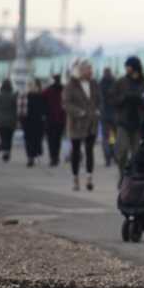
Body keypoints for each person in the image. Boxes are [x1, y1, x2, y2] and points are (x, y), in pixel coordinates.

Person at [109, 57, 144, 179]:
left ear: (134, 67)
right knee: (122, 151)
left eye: (128, 66)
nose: (126, 69)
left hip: (139, 124)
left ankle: (132, 178)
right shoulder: (121, 82)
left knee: (137, 154)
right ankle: (122, 174)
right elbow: (112, 99)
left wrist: (140, 100)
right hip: (123, 123)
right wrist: (124, 98)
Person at [64, 60, 102, 191]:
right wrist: (78, 112)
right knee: (75, 151)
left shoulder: (94, 83)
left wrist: (98, 110)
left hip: (91, 122)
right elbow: (66, 103)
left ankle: (89, 179)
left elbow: (99, 99)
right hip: (76, 123)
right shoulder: (71, 85)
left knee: (89, 150)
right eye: (88, 69)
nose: (91, 71)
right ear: (81, 71)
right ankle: (75, 179)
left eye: (91, 69)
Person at [20, 78, 47, 167]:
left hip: (36, 122)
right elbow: (21, 110)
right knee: (30, 140)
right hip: (30, 122)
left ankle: (33, 155)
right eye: (30, 86)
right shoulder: (26, 96)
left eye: (33, 86)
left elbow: (45, 110)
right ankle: (31, 157)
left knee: (34, 140)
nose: (32, 87)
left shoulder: (41, 97)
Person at [0, 80, 18, 161]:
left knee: (3, 137)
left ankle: (3, 147)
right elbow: (16, 109)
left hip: (0, 121)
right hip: (11, 121)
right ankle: (7, 152)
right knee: (9, 138)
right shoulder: (13, 96)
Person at [41, 75, 66, 167]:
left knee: (51, 140)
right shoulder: (64, 90)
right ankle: (56, 157)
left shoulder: (48, 90)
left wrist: (45, 111)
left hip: (50, 119)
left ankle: (53, 158)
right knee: (58, 139)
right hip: (61, 119)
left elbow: (41, 98)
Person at [98, 66, 117, 167]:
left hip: (104, 114)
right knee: (114, 137)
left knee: (105, 137)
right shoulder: (115, 83)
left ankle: (107, 158)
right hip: (114, 114)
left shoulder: (100, 84)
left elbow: (98, 100)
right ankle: (114, 155)